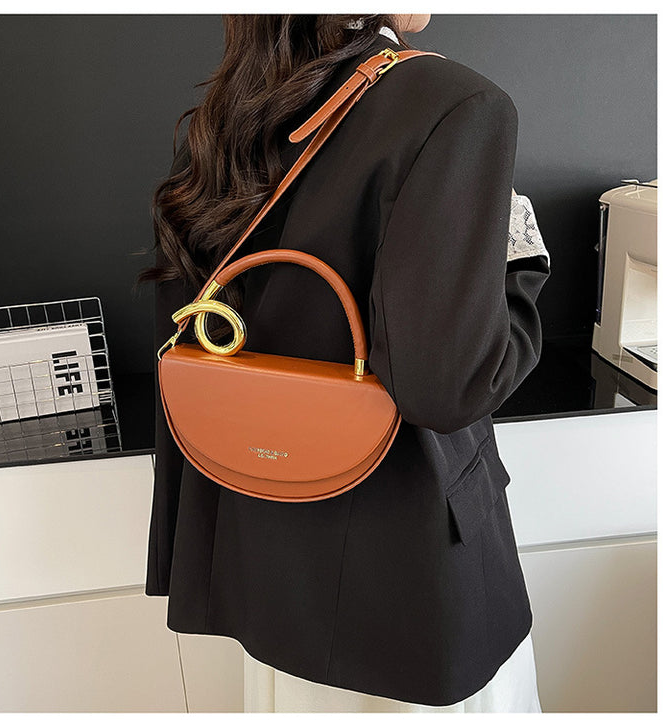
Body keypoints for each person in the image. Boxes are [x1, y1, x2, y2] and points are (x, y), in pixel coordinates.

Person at [138, 14, 551, 712]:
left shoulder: (231, 111)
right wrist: (519, 263)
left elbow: (193, 328)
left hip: (265, 555)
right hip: (407, 582)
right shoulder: (456, 104)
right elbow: (447, 386)